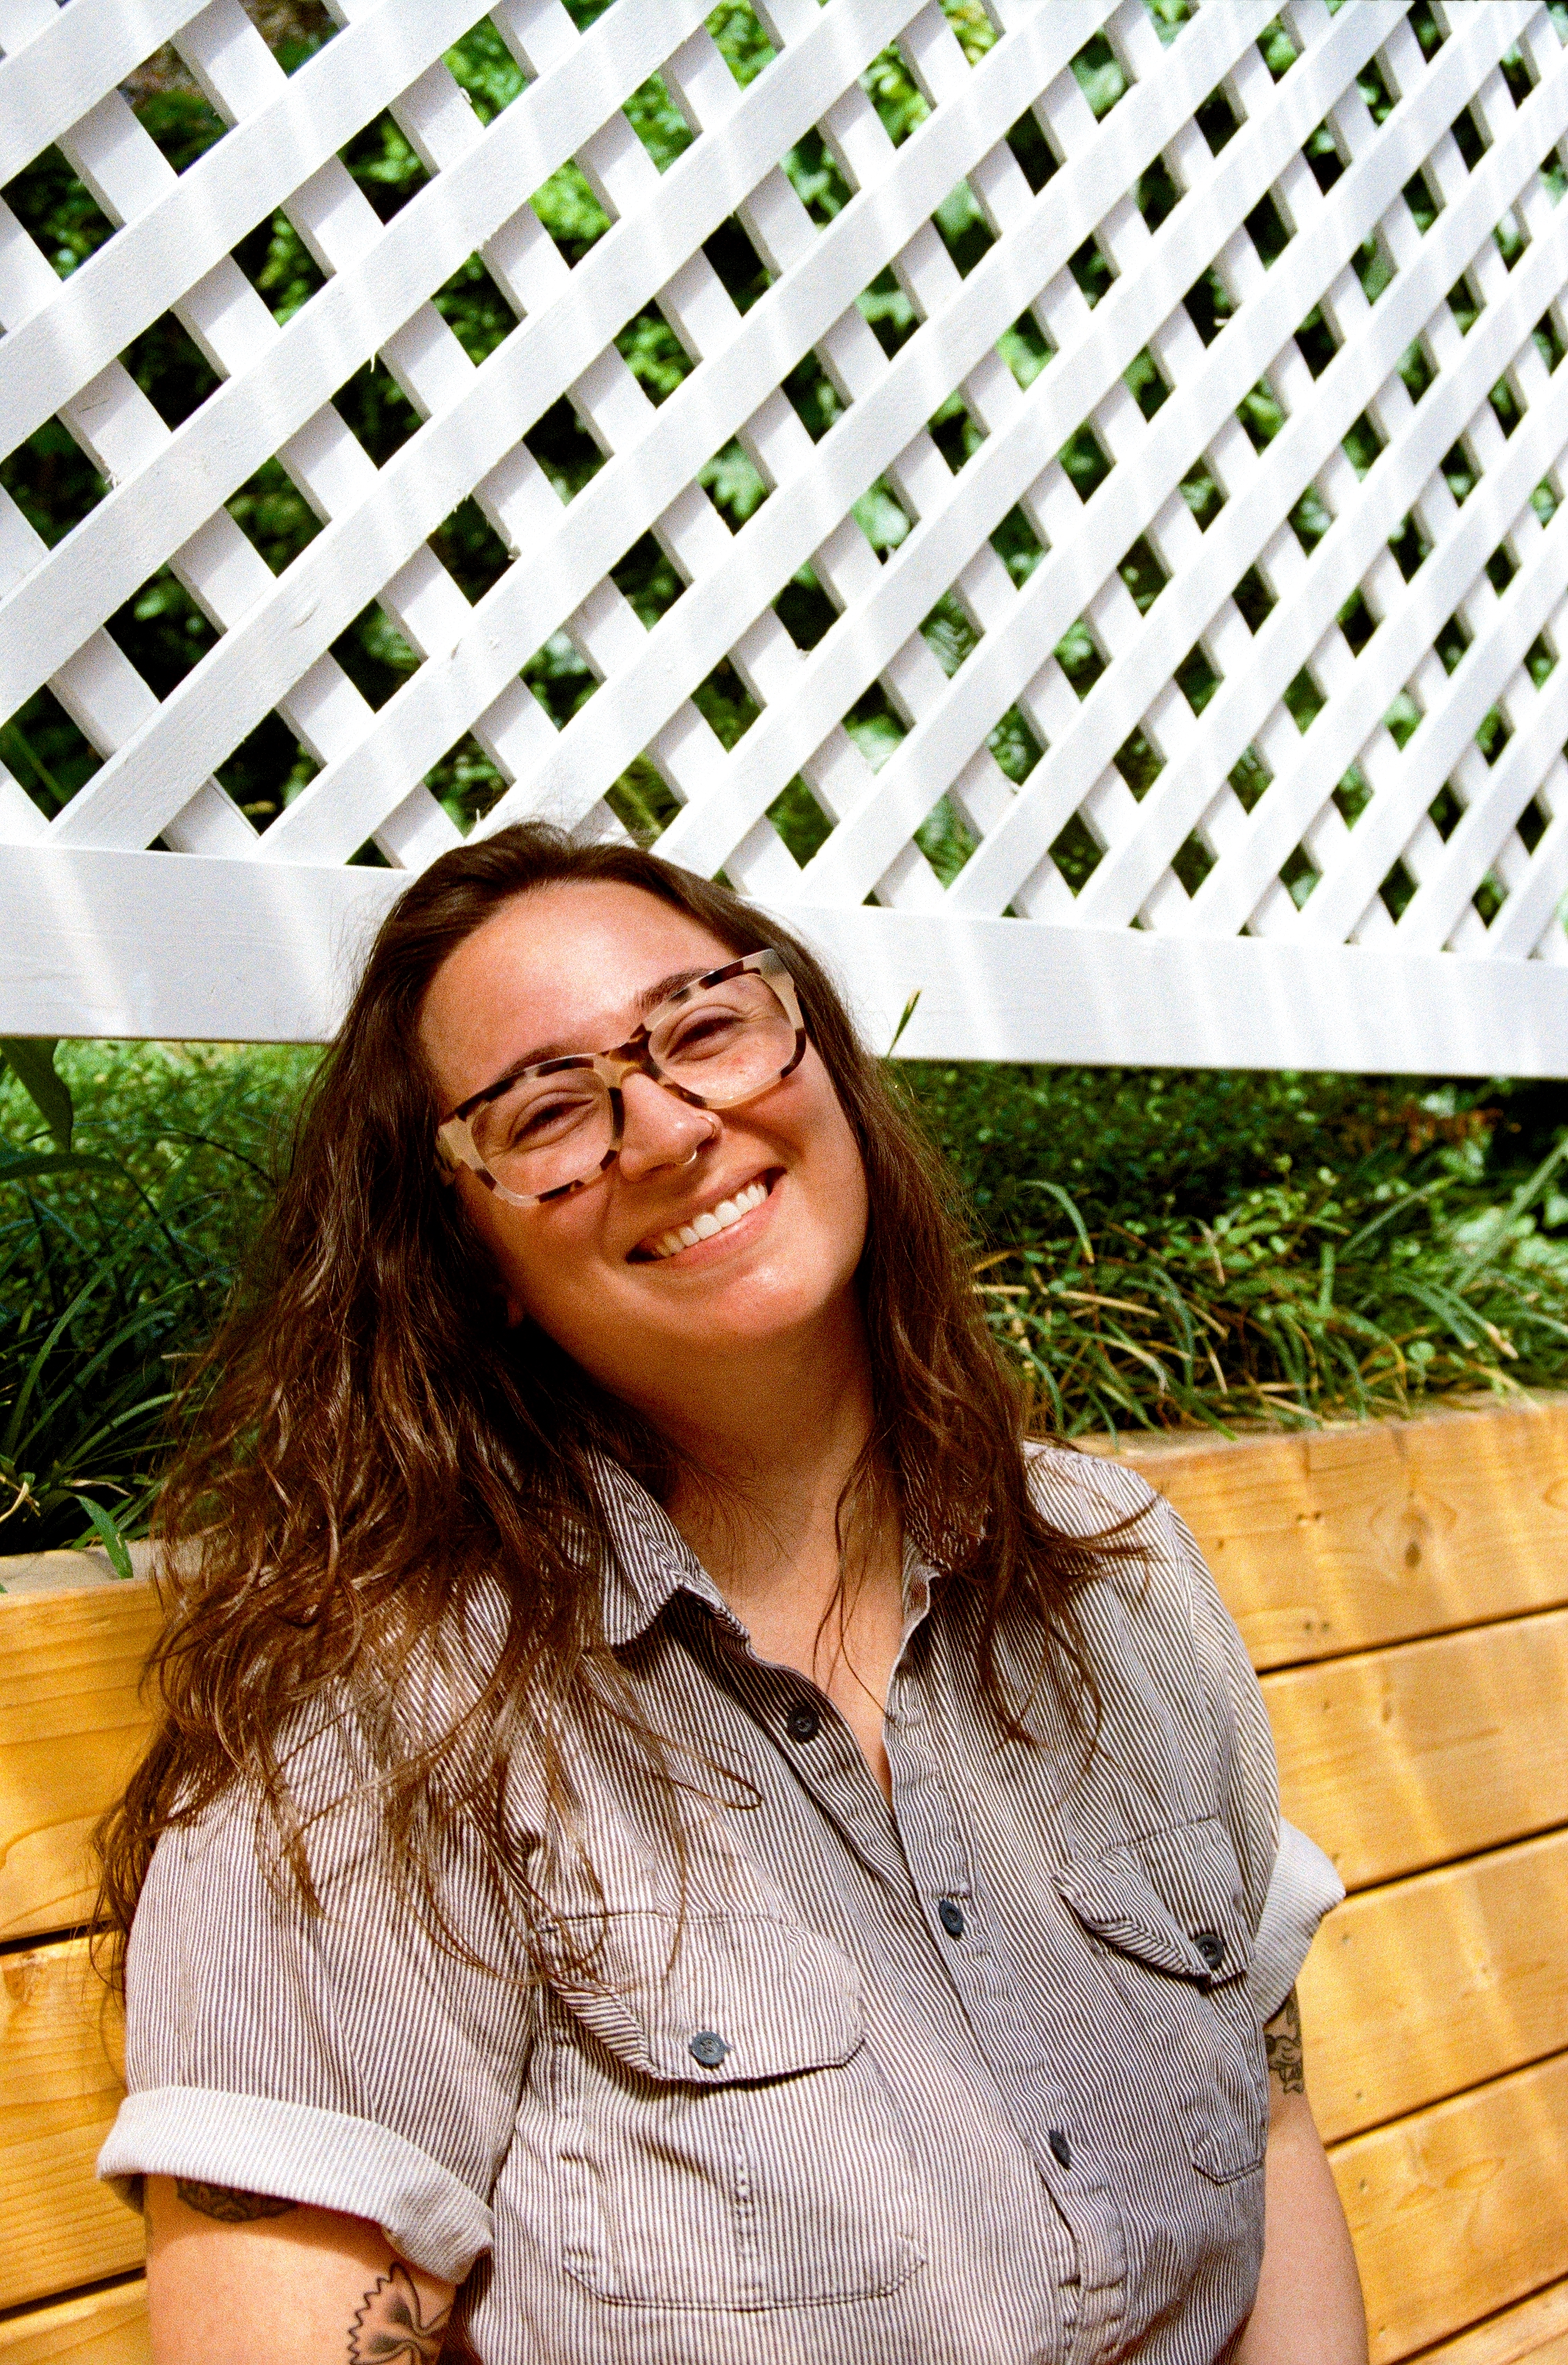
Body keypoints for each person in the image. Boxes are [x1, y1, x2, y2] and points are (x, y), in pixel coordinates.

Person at [96, 823, 1366, 2365]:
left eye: (704, 1026)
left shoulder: (1110, 1574)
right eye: (547, 1110)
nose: (669, 1124)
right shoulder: (377, 1734)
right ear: (473, 1251)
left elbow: (1265, 2122)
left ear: (813, 1054)